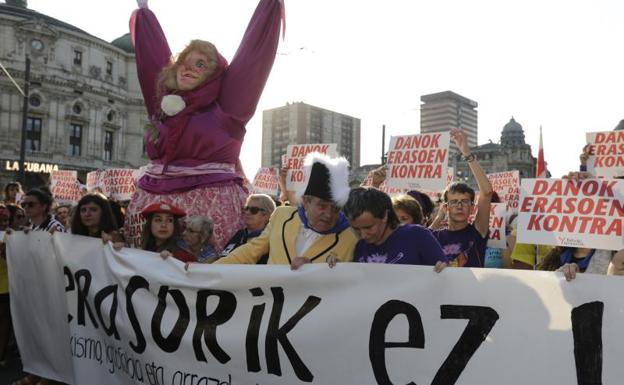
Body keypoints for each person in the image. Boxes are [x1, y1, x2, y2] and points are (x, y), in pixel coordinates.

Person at [124, 0, 284, 252]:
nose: (188, 68)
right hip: (150, 210)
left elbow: (254, 56)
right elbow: (151, 59)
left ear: (213, 75)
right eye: (184, 62)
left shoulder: (228, 109)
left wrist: (269, 7)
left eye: (201, 64)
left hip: (209, 209)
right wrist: (145, 15)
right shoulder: (163, 105)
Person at [215, 152, 357, 266]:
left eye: (336, 208)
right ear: (306, 201)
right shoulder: (282, 215)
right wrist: (209, 270)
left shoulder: (351, 238)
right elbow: (250, 251)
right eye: (322, 206)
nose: (329, 214)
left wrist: (325, 272)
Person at [431, 129, 493, 267]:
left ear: (472, 207)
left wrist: (466, 153)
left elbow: (487, 192)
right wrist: (438, 218)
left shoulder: (477, 231)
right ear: (446, 207)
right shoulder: (435, 236)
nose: (460, 206)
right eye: (454, 202)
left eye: (465, 201)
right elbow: (418, 240)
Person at [343, 188, 448, 270]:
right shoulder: (360, 247)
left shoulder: (417, 236)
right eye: (356, 229)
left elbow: (446, 275)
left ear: (384, 216)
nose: (363, 235)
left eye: (368, 227)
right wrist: (337, 269)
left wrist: (442, 269)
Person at [221, 194, 276, 264]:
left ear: (267, 215)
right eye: (246, 208)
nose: (247, 212)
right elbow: (223, 256)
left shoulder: (270, 239)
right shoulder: (239, 234)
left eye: (253, 210)